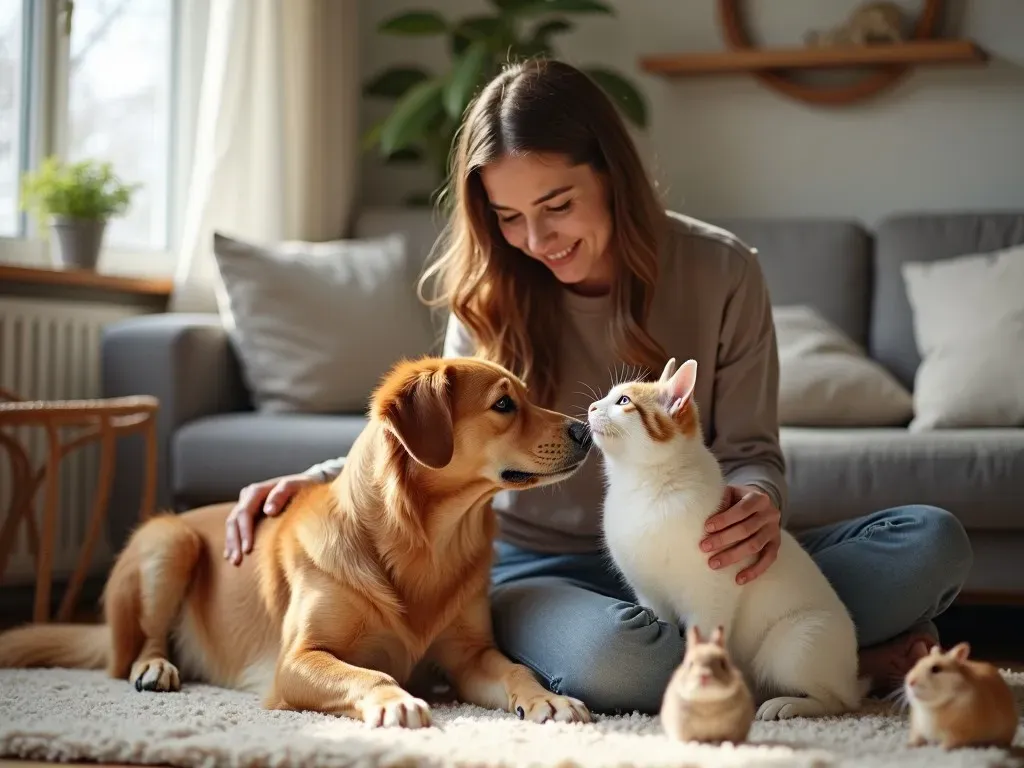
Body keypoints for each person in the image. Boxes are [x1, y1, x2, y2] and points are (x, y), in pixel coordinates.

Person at [222, 58, 973, 716]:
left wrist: (756, 503)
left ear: (611, 176)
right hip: (539, 568)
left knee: (931, 541)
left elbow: (752, 452)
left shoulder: (724, 271)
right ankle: (831, 661)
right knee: (624, 660)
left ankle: (782, 655)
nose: (538, 241)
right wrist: (320, 478)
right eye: (509, 217)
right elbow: (436, 438)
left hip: (690, 563)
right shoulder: (488, 292)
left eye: (557, 206)